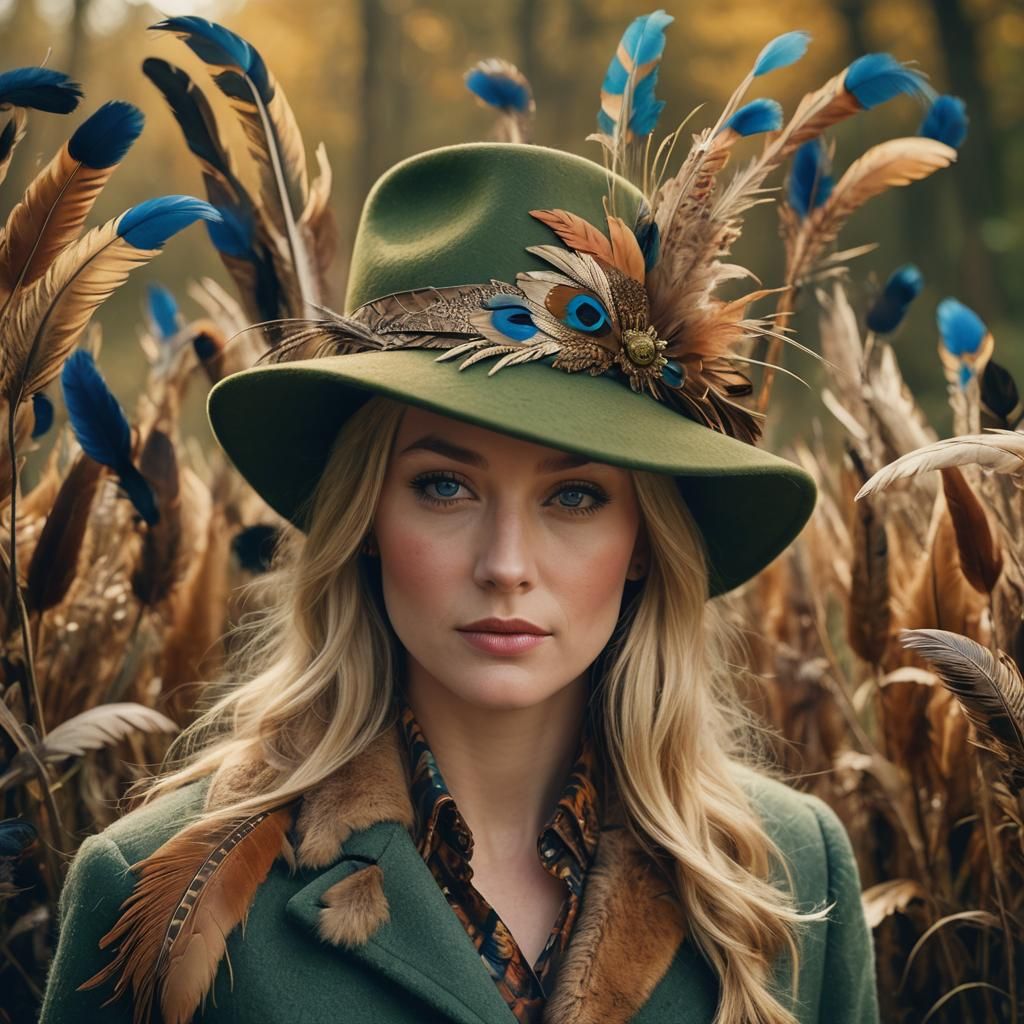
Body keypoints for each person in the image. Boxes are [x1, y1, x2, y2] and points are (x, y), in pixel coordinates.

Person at [39, 17, 884, 1024]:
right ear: (361, 517)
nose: (506, 564)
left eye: (575, 496)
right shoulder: (154, 891)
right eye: (444, 486)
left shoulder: (789, 876)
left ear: (645, 545)